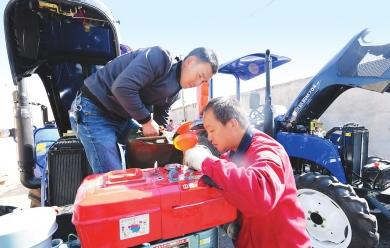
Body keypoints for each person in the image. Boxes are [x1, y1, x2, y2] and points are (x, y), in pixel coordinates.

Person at [184, 97, 311, 248]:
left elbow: (260, 195)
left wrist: (205, 161)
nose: (209, 137)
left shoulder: (267, 150)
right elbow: (219, 181)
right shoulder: (233, 154)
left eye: (211, 130)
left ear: (232, 124)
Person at [69, 46, 218, 174]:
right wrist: (146, 120)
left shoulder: (175, 93)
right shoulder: (160, 58)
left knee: (150, 153)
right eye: (199, 75)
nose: (197, 83)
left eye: (203, 82)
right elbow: (122, 87)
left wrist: (171, 139)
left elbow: (160, 124)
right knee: (113, 178)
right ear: (190, 61)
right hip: (94, 110)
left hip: (122, 119)